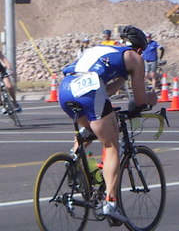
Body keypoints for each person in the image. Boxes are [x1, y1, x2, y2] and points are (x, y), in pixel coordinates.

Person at [59, 25, 157, 223]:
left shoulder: (107, 49)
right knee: (111, 145)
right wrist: (151, 98)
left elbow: (108, 90)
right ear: (140, 49)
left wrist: (122, 78)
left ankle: (74, 163)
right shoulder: (136, 57)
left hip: (66, 88)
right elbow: (139, 98)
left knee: (90, 131)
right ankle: (110, 203)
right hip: (90, 89)